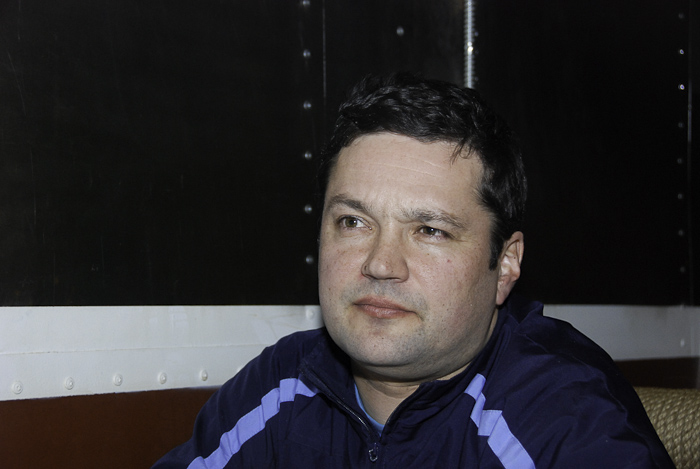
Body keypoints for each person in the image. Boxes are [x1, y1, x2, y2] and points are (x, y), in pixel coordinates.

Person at [153, 73, 673, 468]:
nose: (380, 263)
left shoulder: (565, 420)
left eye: (430, 230)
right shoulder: (283, 382)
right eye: (354, 221)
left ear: (506, 263)